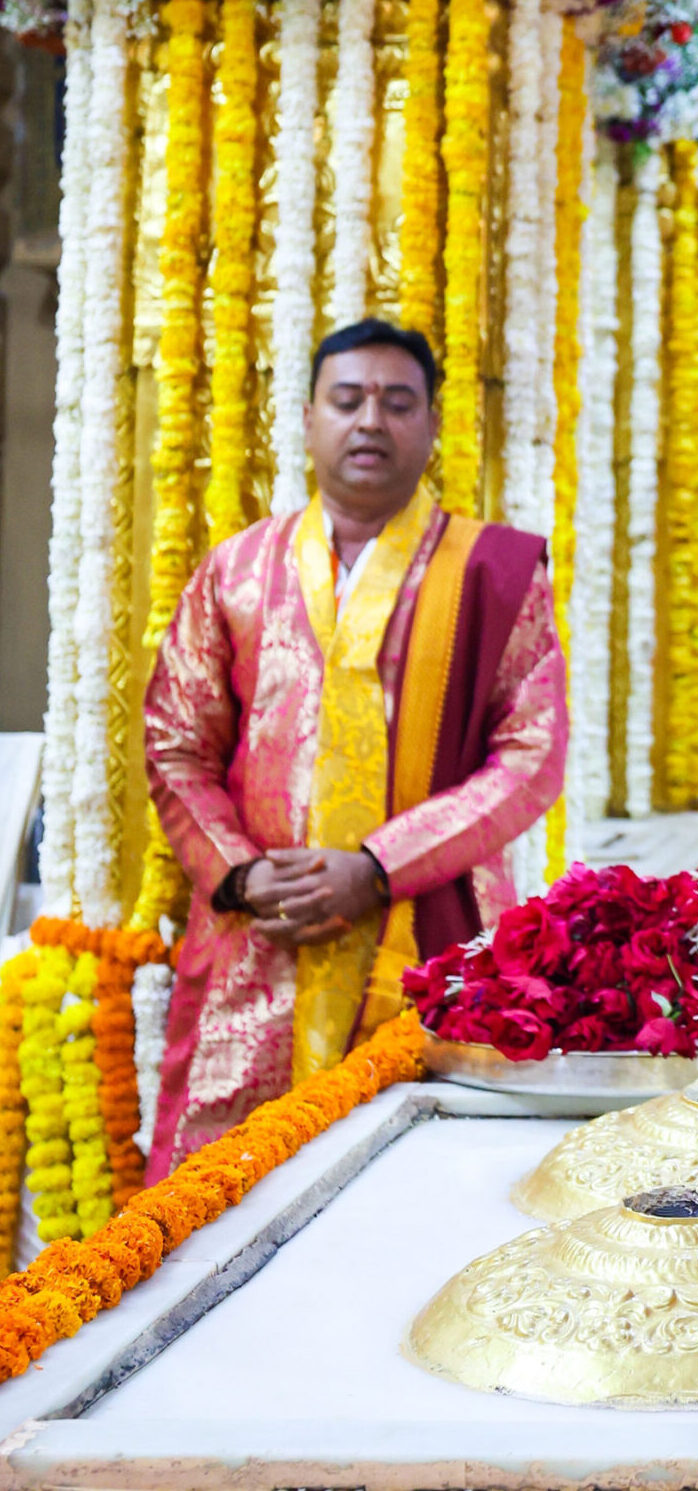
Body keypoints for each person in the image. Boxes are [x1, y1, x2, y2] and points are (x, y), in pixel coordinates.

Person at [143, 319, 567, 1178]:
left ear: (432, 424)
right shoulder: (234, 573)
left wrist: (374, 867)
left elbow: (531, 758)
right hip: (262, 933)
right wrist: (242, 873)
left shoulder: (492, 572)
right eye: (347, 399)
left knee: (425, 1195)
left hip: (429, 933)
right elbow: (175, 745)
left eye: (397, 401)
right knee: (220, 1207)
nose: (370, 420)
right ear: (308, 419)